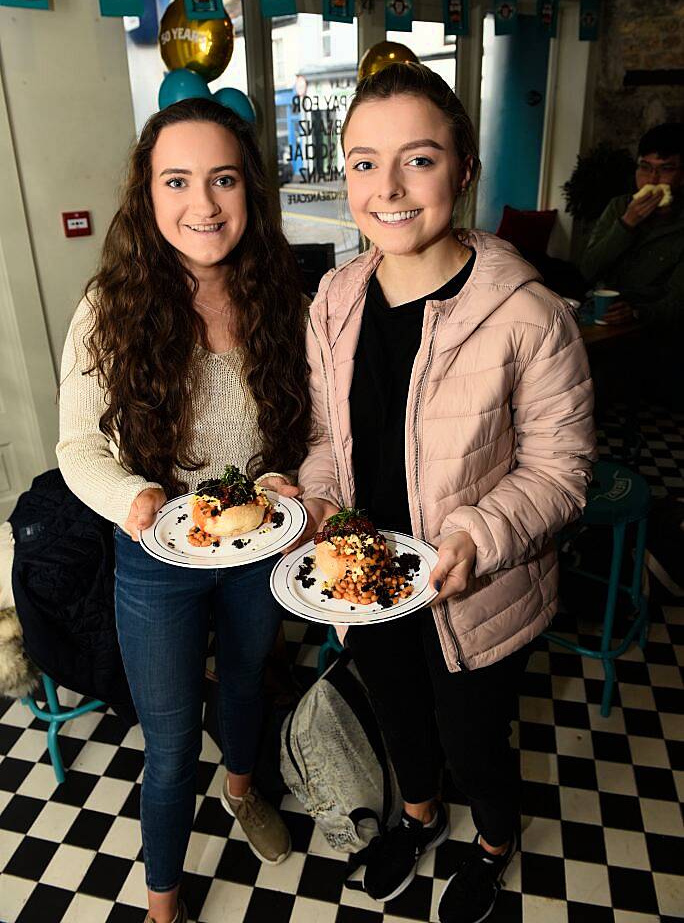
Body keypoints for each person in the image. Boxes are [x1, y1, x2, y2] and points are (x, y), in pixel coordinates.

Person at [296, 63, 596, 923]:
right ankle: (421, 818)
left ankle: (494, 840)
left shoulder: (529, 313)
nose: (386, 188)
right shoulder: (336, 298)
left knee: (474, 742)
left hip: (478, 590)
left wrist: (477, 533)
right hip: (368, 580)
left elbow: (560, 469)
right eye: (362, 162)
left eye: (418, 159)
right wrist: (315, 507)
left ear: (464, 169)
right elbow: (326, 442)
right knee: (398, 719)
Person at [57, 98, 311, 923]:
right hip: (153, 555)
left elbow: (306, 431)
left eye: (223, 179)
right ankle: (164, 903)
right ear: (148, 194)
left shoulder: (284, 299)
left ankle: (242, 790)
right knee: (167, 747)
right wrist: (139, 499)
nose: (203, 204)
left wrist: (282, 478)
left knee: (244, 684)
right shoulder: (109, 307)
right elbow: (77, 450)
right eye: (178, 180)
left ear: (250, 192)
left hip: (255, 548)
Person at [581, 123, 684, 328]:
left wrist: (637, 313)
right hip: (598, 314)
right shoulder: (618, 206)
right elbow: (587, 270)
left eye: (666, 169)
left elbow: (677, 302)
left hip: (650, 330)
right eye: (645, 168)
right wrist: (626, 224)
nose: (652, 180)